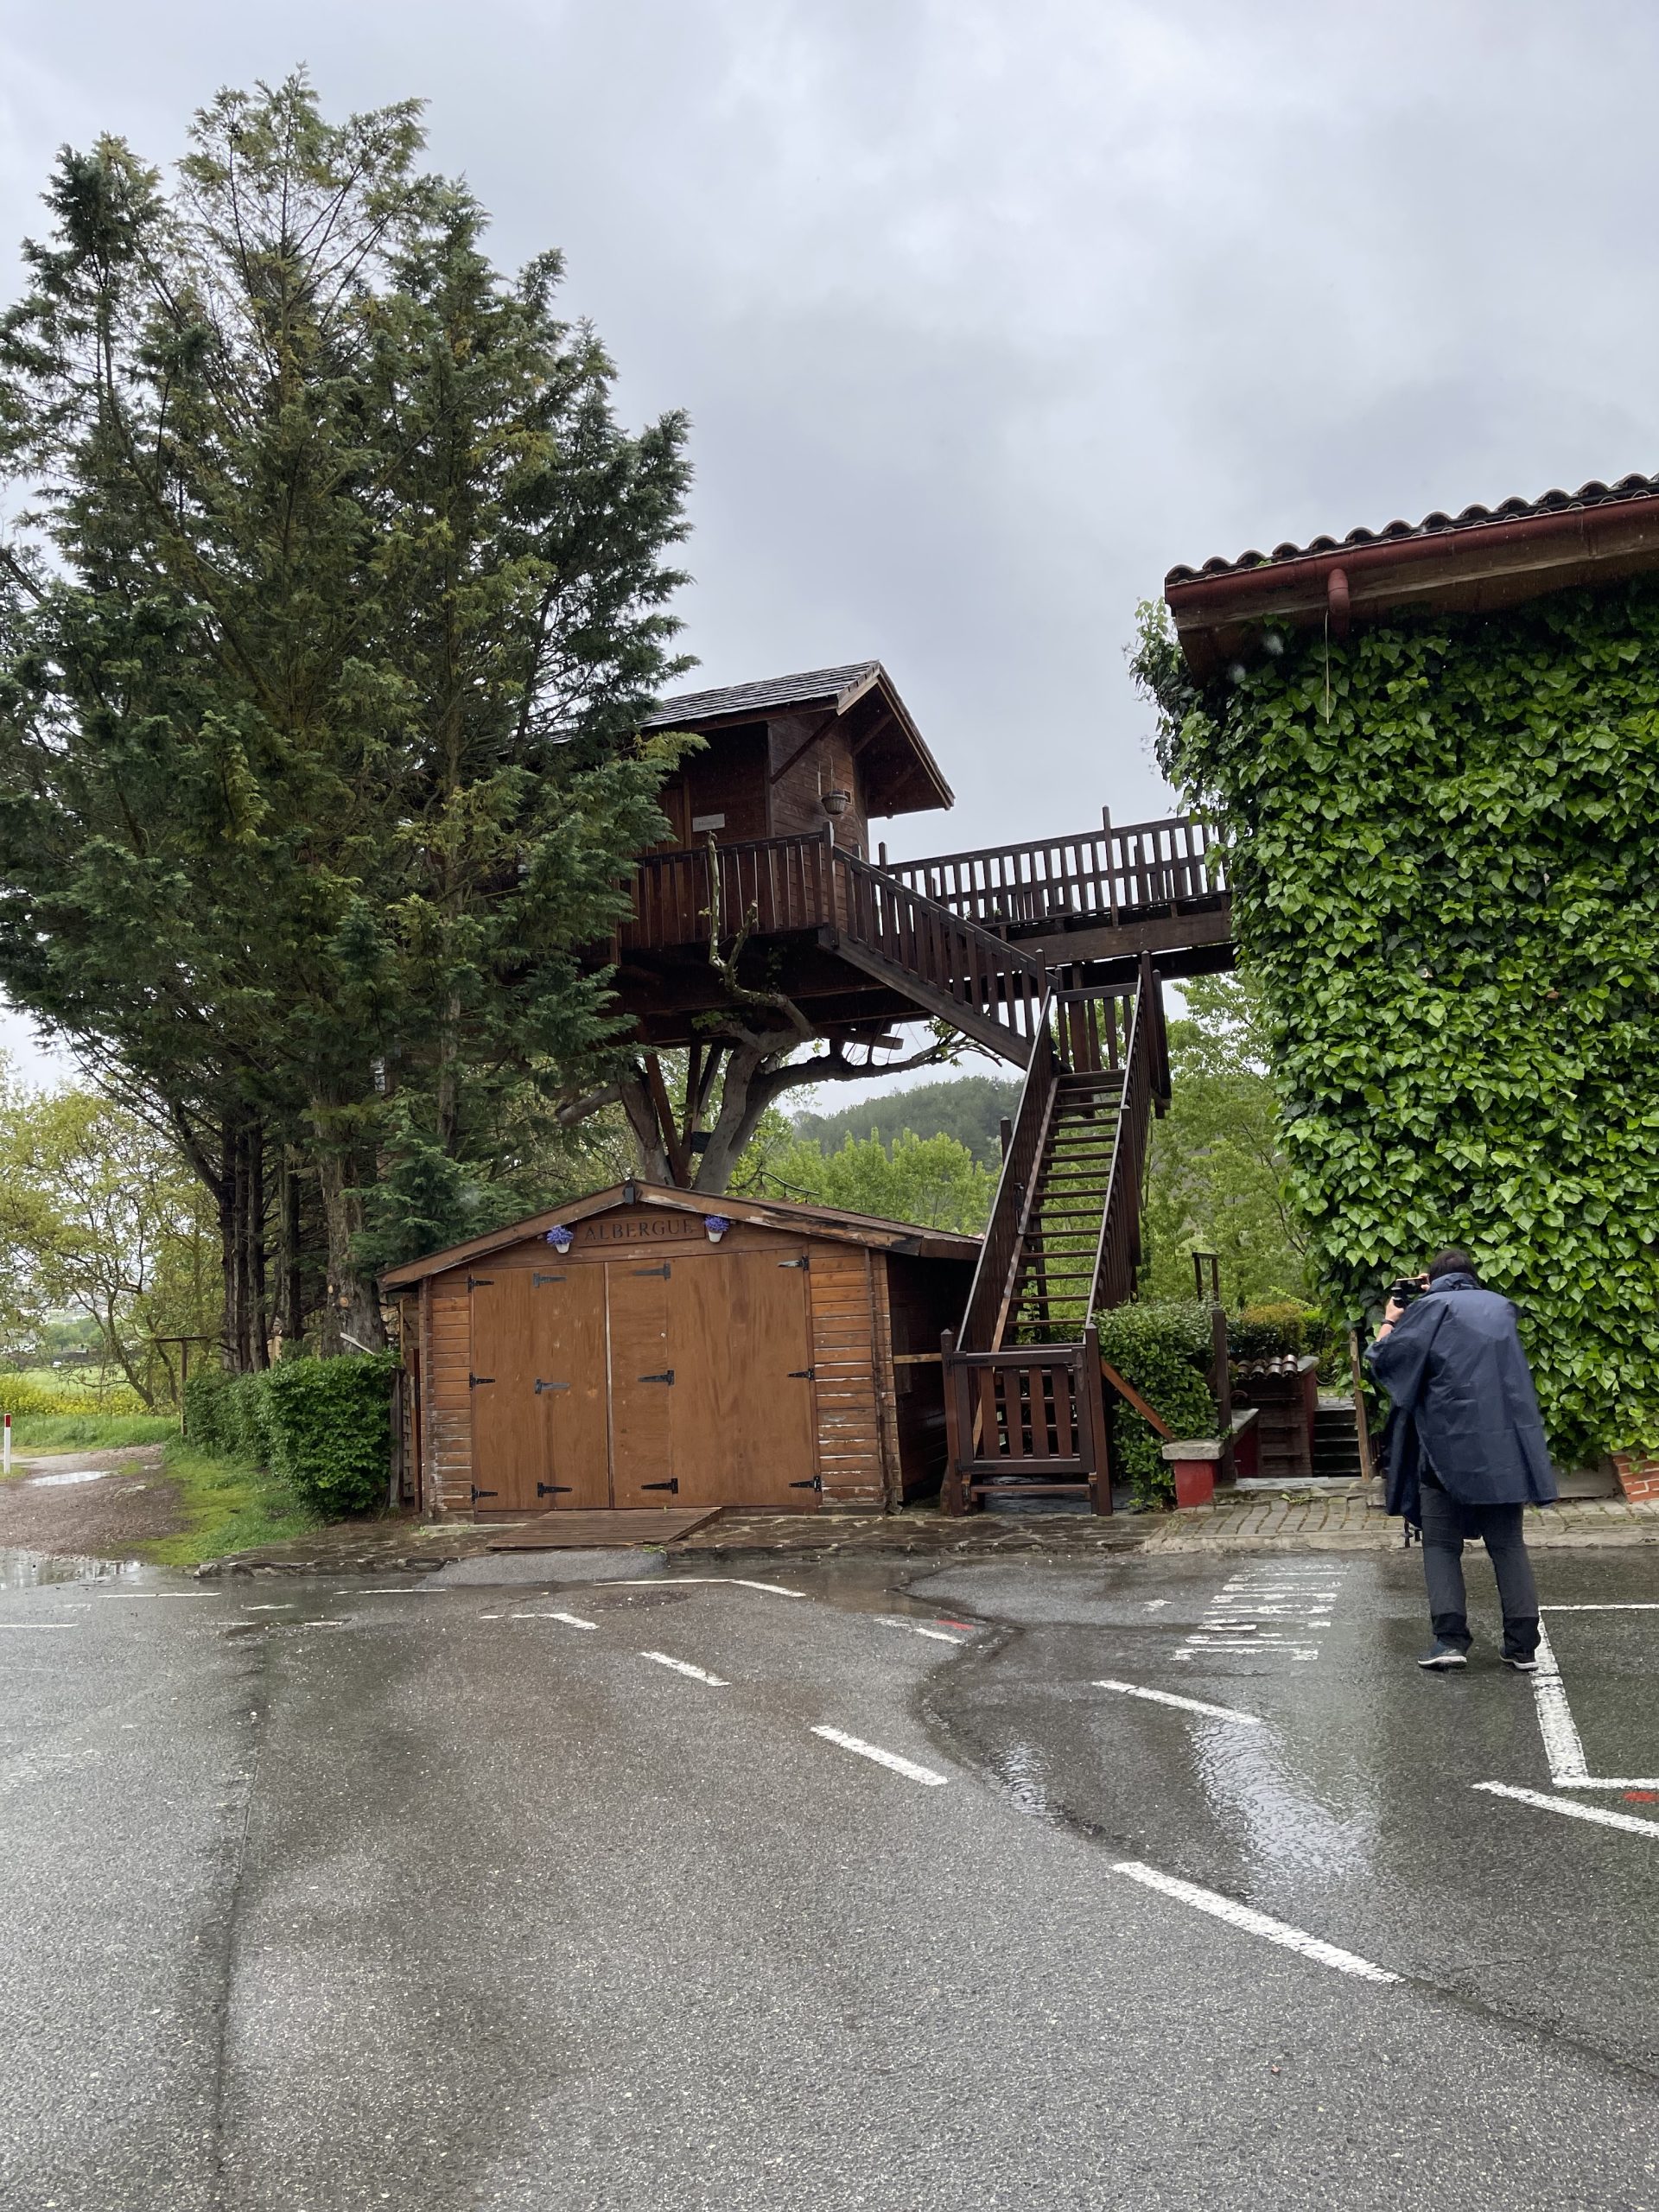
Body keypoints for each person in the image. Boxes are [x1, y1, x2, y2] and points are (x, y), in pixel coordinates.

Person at [1366, 1246, 1557, 1672]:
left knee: (1440, 1544)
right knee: (1507, 1544)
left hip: (1442, 1450)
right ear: (1473, 1277)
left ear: (1429, 1281)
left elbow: (1383, 1360)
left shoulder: (1428, 1309)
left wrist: (1391, 1318)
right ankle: (1523, 1646)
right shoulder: (1500, 1309)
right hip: (1503, 1451)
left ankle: (1450, 1640)